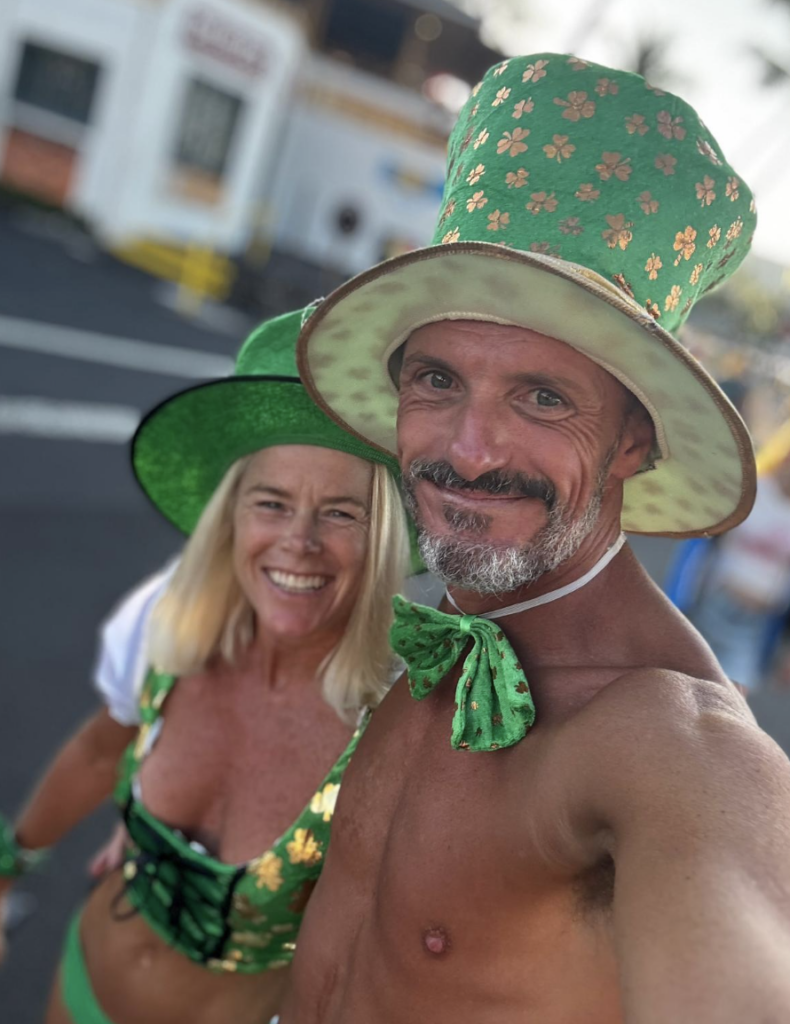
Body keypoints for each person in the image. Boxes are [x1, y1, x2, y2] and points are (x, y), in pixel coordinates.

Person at [287, 54, 790, 1022]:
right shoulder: (443, 635)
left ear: (634, 441)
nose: (467, 450)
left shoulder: (673, 744)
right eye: (437, 380)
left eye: (543, 398)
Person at [0, 307, 412, 1024]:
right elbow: (100, 751)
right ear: (231, 517)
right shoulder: (169, 620)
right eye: (272, 503)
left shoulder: (398, 721)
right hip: (79, 986)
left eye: (342, 513)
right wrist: (6, 871)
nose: (299, 542)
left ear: (384, 541)